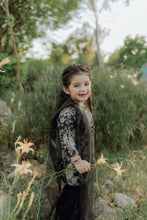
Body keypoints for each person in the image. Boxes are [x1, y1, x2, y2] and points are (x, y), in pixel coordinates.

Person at [50, 64, 96, 220]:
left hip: (84, 162)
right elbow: (66, 138)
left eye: (86, 84)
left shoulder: (84, 108)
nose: (83, 89)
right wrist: (76, 159)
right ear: (66, 89)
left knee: (81, 197)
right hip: (74, 164)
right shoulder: (68, 111)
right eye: (77, 85)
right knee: (71, 198)